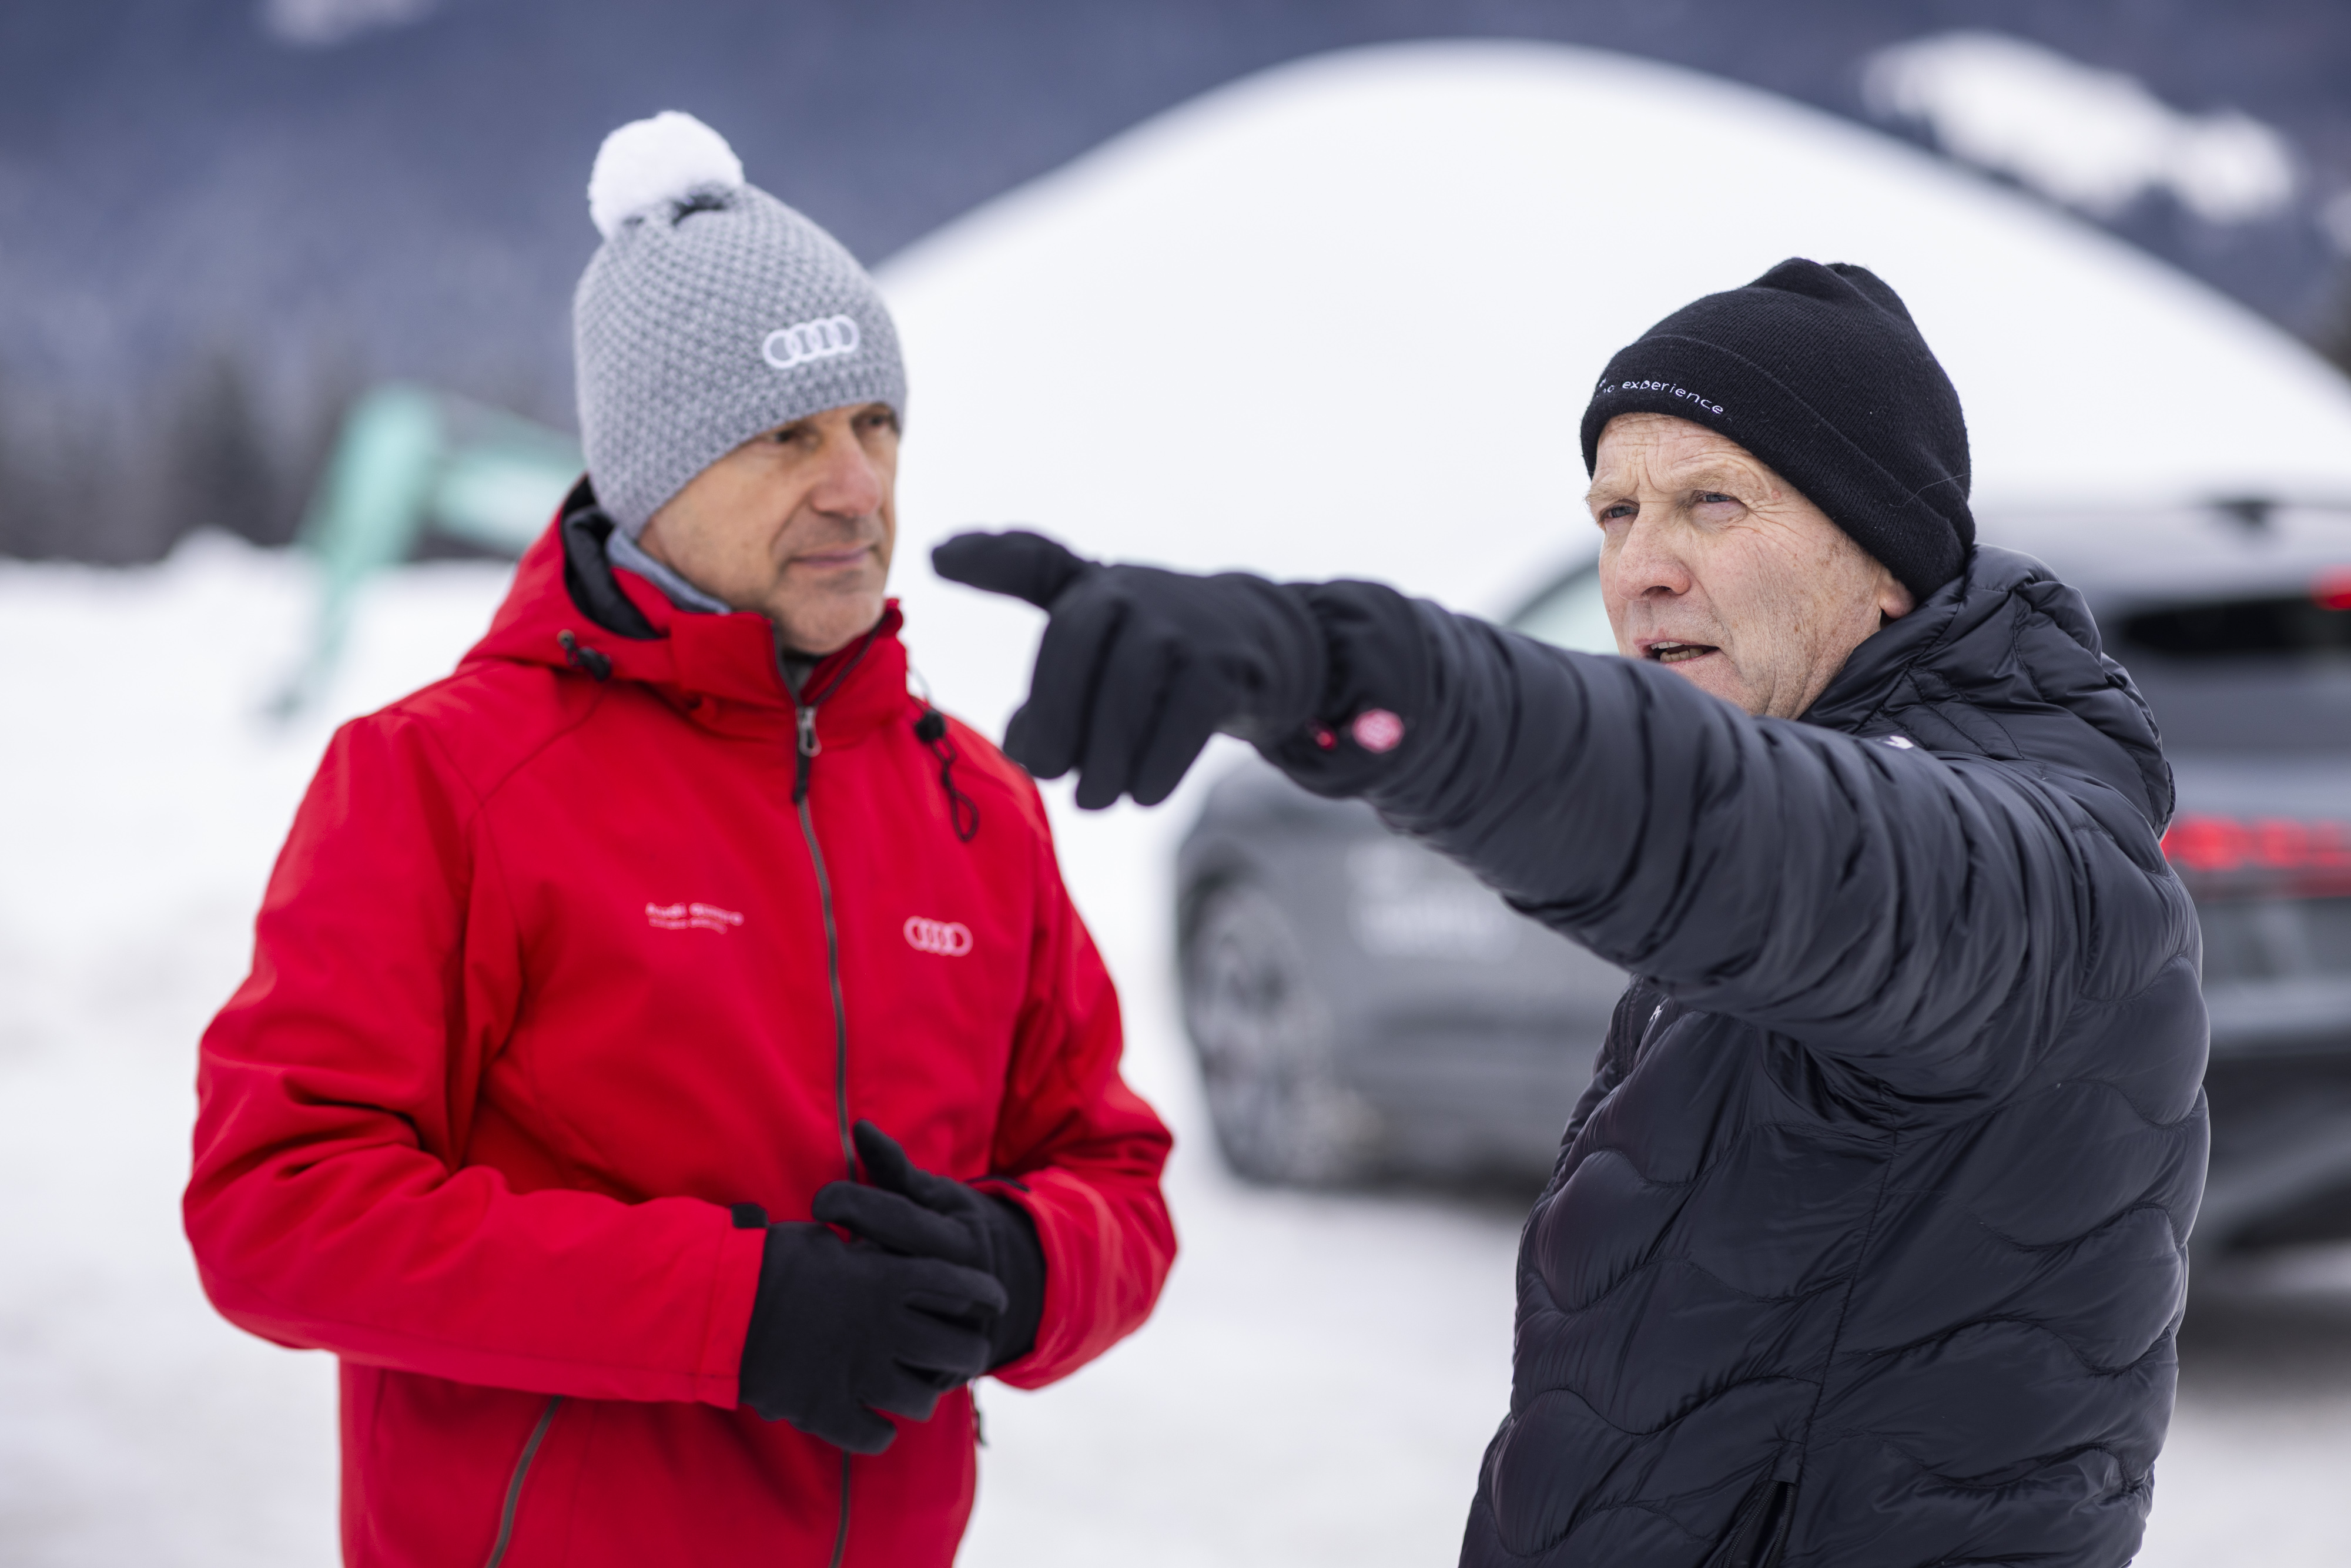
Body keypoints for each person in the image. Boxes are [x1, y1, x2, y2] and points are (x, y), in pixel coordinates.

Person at [936, 260, 2204, 1567]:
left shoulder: (2037, 873)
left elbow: (1732, 820)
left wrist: (1344, 669)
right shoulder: (1839, 778)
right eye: (1612, 510)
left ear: (1883, 558)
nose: (1641, 566)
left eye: (1713, 502)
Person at [185, 112, 1175, 1568]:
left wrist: (1025, 1269)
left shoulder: (975, 803)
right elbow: (277, 1204)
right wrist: (741, 1310)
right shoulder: (442, 777)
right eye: (787, 436)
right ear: (652, 474)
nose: (857, 485)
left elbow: (1112, 1173)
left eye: (873, 424)